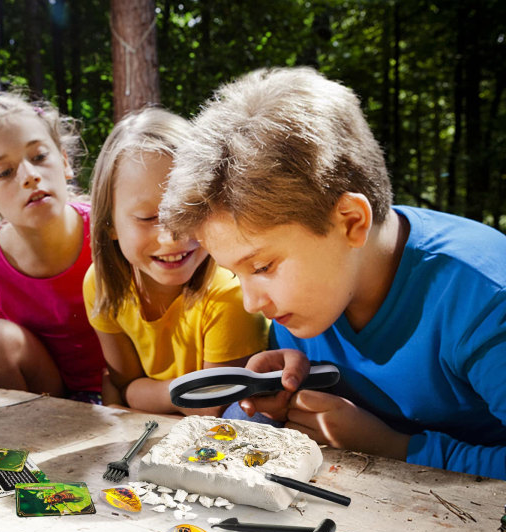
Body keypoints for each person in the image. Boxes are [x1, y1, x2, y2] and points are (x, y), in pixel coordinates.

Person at [159, 66, 506, 479]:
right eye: (236, 274)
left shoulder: (484, 300)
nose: (253, 302)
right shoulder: (313, 292)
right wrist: (291, 393)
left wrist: (399, 448)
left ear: (351, 221)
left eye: (263, 267)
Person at [83, 107, 268, 416]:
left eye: (188, 207)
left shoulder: (231, 291)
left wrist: (141, 394)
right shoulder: (102, 283)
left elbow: (210, 407)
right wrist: (140, 393)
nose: (171, 237)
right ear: (109, 224)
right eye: (147, 217)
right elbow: (123, 381)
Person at [0, 92, 106, 402]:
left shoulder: (110, 230)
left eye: (38, 157)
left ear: (64, 162)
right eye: (5, 172)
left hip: (132, 388)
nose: (30, 176)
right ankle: (23, 443)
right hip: (50, 398)